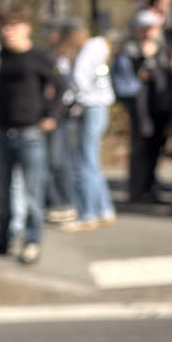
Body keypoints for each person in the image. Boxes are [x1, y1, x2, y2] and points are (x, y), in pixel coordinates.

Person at [0, 9, 60, 264]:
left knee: (32, 193)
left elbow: (62, 84)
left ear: (26, 27)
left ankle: (32, 240)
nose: (8, 32)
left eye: (14, 26)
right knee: (4, 192)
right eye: (5, 27)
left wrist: (51, 115)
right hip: (3, 130)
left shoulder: (39, 56)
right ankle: (4, 239)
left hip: (30, 131)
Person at [62, 20, 115, 230]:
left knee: (84, 162)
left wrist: (74, 97)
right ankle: (103, 209)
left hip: (91, 106)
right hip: (99, 106)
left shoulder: (89, 48)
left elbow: (79, 77)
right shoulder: (100, 47)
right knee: (91, 161)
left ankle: (87, 213)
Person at [116, 10, 172, 203]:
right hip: (139, 110)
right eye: (145, 29)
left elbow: (166, 79)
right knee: (140, 149)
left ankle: (151, 187)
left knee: (156, 149)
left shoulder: (162, 50)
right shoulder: (129, 52)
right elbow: (124, 84)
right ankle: (137, 190)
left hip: (159, 108)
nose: (148, 33)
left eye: (152, 28)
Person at [42, 24, 79, 224]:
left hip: (61, 116)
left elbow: (66, 88)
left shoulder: (65, 58)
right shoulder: (49, 55)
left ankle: (63, 202)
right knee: (52, 160)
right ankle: (53, 201)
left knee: (60, 160)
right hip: (49, 114)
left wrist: (55, 113)